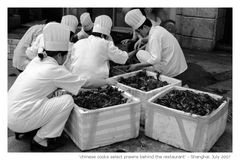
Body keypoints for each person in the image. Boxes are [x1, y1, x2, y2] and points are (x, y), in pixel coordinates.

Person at [8, 23, 117, 152]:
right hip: (20, 119)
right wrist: (107, 81)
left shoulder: (37, 61)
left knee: (52, 96)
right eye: (66, 56)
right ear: (59, 55)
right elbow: (85, 83)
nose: (66, 59)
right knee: (66, 101)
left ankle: (28, 130)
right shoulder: (53, 69)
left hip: (10, 114)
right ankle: (40, 140)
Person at [124, 9, 188, 78]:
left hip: (171, 70)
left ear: (145, 27)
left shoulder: (154, 36)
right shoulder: (157, 29)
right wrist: (144, 40)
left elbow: (155, 59)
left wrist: (136, 66)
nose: (139, 34)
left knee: (140, 54)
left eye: (139, 31)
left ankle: (157, 74)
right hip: (178, 66)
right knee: (141, 52)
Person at [65, 15, 129, 80]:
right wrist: (136, 51)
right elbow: (123, 58)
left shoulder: (78, 43)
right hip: (97, 83)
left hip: (76, 81)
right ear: (102, 35)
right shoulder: (105, 44)